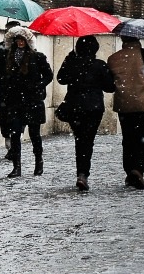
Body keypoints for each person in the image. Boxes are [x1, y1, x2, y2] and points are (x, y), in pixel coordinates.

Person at [0, 26, 54, 178]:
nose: (20, 42)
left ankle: (38, 162)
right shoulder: (8, 57)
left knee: (34, 135)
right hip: (15, 101)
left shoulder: (38, 57)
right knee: (15, 134)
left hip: (32, 101)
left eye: (22, 40)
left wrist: (38, 85)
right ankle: (16, 167)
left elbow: (48, 75)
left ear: (27, 41)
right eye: (17, 40)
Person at [56, 35, 116, 191]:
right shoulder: (99, 65)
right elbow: (110, 87)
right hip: (93, 108)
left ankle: (81, 173)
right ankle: (83, 174)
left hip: (74, 107)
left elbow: (61, 79)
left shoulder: (72, 63)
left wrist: (69, 59)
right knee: (87, 140)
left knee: (80, 139)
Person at [108, 36, 144, 190]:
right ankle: (138, 169)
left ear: (122, 39)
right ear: (138, 38)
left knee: (128, 139)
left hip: (124, 105)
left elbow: (109, 82)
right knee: (143, 139)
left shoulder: (114, 58)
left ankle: (129, 171)